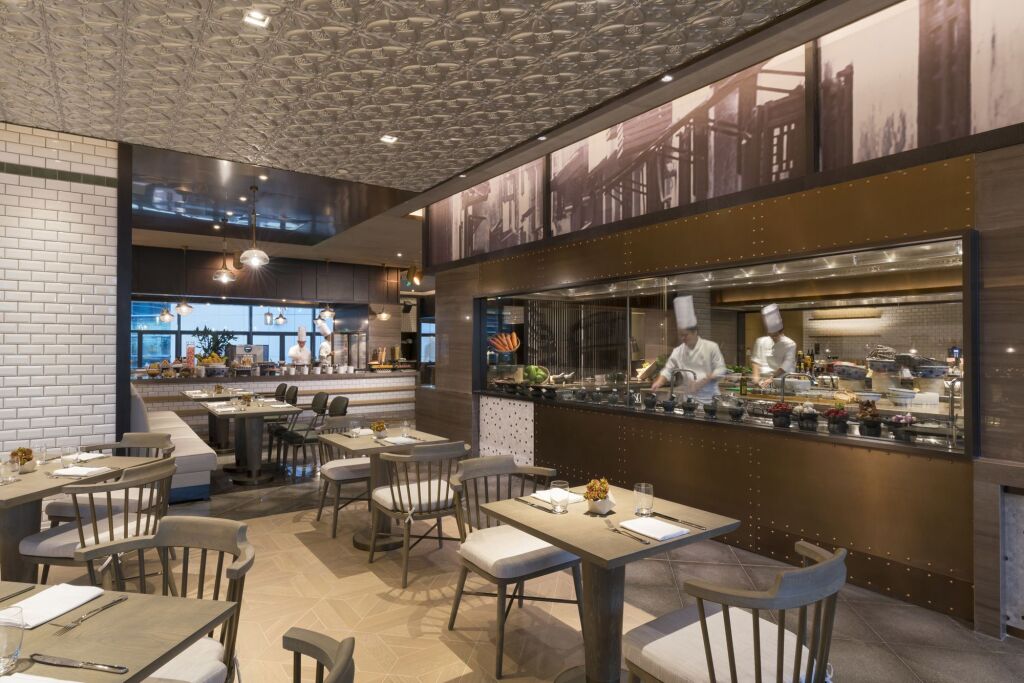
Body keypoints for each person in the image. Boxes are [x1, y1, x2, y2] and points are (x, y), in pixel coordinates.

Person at [650, 295, 727, 403]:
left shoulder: (711, 347)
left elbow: (721, 370)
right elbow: (668, 370)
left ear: (695, 332)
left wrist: (703, 381)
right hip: (689, 400)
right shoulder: (678, 351)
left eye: (685, 335)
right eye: (681, 335)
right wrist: (659, 382)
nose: (683, 338)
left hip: (710, 399)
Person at [751, 303, 797, 386]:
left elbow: (785, 366)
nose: (773, 338)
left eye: (776, 336)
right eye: (771, 336)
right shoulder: (760, 341)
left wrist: (771, 379)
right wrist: (756, 379)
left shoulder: (790, 344)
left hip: (783, 382)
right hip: (762, 381)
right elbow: (756, 362)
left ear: (781, 332)